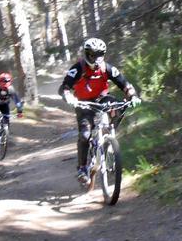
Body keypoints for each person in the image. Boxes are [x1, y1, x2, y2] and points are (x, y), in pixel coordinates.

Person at [59, 38, 141, 184]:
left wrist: (133, 96)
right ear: (86, 54)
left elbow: (124, 83)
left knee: (118, 107)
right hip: (83, 103)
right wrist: (68, 96)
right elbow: (64, 87)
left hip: (102, 98)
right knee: (85, 134)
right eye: (93, 55)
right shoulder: (78, 69)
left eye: (100, 54)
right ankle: (82, 168)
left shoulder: (107, 68)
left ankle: (110, 135)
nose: (96, 59)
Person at [0, 72, 24, 140]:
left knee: (6, 119)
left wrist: (19, 111)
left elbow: (17, 101)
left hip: (5, 105)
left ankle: (5, 133)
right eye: (4, 81)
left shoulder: (11, 90)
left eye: (8, 81)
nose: (6, 83)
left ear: (10, 82)